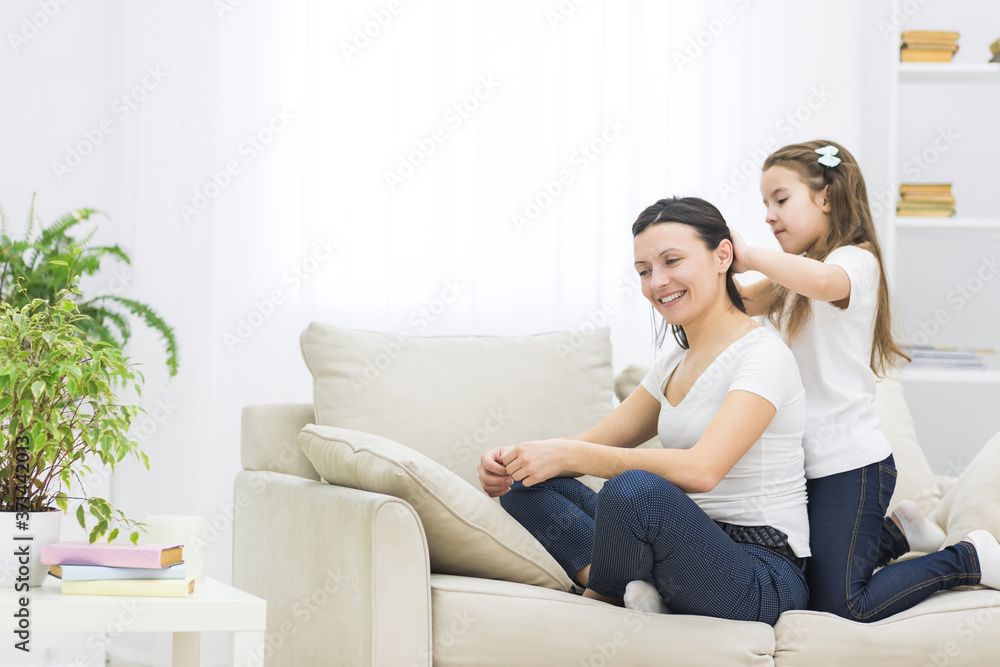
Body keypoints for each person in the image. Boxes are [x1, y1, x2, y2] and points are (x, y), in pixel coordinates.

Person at [477, 196, 811, 626]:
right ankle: (633, 587)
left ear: (722, 255)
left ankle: (602, 596)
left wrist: (570, 457)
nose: (658, 281)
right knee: (527, 486)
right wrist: (516, 458)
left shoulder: (763, 355)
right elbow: (591, 444)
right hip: (675, 552)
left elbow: (703, 470)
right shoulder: (675, 359)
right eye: (644, 271)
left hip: (758, 575)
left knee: (635, 491)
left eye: (672, 261)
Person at [730, 139, 1000, 622]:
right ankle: (898, 533)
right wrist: (697, 263)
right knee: (805, 591)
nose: (770, 215)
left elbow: (825, 284)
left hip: (849, 464)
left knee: (843, 604)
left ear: (827, 198)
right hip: (802, 465)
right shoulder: (793, 276)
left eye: (781, 199)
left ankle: (968, 558)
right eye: (764, 205)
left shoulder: (855, 261)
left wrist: (750, 254)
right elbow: (742, 304)